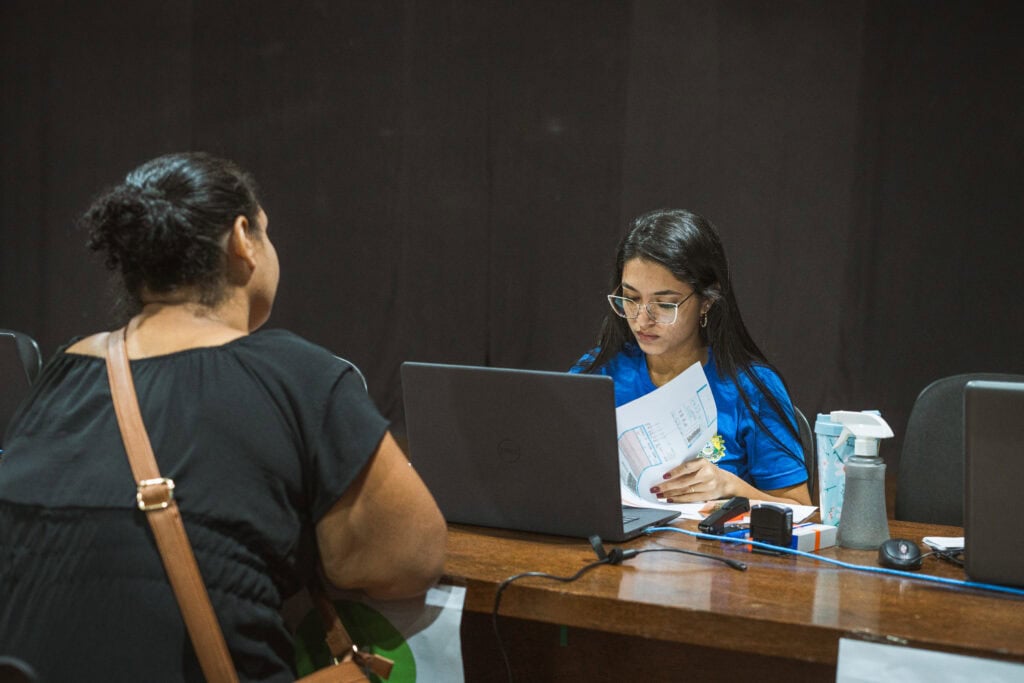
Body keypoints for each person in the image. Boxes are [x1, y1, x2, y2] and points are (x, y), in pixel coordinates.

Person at [0, 152, 447, 681]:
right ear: (242, 240)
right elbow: (406, 560)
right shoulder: (298, 374)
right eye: (266, 231)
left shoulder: (66, 369)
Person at [571, 208, 811, 506]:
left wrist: (730, 486)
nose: (642, 320)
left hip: (706, 536)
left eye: (664, 304)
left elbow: (802, 511)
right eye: (631, 299)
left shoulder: (751, 387)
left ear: (706, 301)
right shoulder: (598, 372)